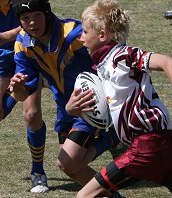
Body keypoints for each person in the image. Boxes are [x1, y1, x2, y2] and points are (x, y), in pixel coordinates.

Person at [66, 0, 172, 197]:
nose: (81, 38)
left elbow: (169, 62)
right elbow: (103, 111)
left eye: (85, 32)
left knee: (85, 195)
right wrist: (72, 109)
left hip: (146, 147)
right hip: (169, 146)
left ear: (102, 35)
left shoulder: (121, 55)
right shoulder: (104, 66)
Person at [9, 0, 124, 197]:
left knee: (66, 162)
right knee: (71, 167)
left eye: (37, 15)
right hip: (66, 108)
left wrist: (107, 93)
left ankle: (115, 136)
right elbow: (22, 95)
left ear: (47, 14)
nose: (31, 23)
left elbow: (115, 52)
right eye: (25, 18)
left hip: (90, 103)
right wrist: (17, 88)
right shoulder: (23, 44)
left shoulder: (74, 34)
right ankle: (113, 192)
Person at [0, 0, 48, 193]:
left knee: (31, 114)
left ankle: (38, 172)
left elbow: (43, 18)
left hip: (31, 48)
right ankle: (16, 90)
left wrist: (6, 35)